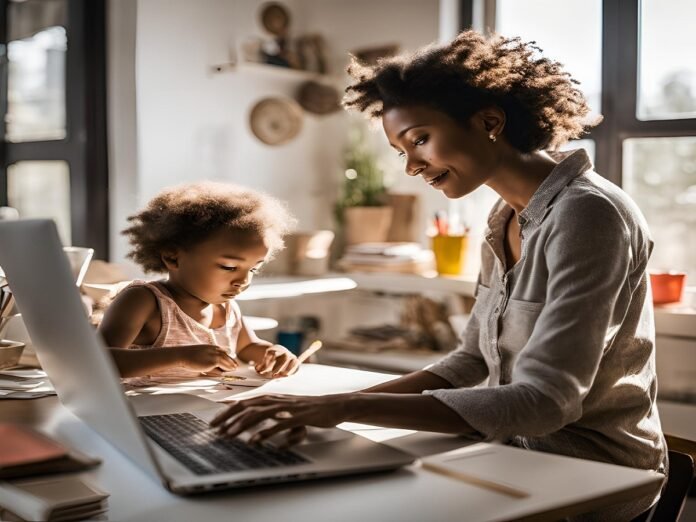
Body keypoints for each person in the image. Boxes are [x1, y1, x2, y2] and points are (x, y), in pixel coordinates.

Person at [209, 31, 667, 520]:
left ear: (490, 121)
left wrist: (344, 409)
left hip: (591, 475)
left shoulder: (588, 214)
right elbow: (468, 362)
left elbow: (545, 403)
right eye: (401, 150)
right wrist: (333, 404)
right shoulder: (505, 216)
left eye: (419, 140)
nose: (411, 166)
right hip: (512, 452)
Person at [99, 181, 300, 383]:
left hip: (199, 409)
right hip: (144, 411)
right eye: (229, 267)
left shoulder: (226, 309)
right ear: (172, 257)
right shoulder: (144, 300)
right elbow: (99, 361)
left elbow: (247, 347)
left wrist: (275, 353)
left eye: (254, 269)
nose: (244, 280)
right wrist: (181, 357)